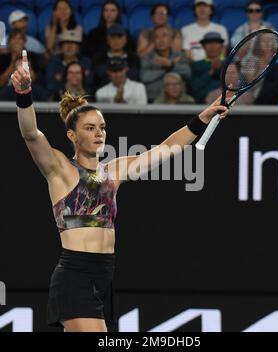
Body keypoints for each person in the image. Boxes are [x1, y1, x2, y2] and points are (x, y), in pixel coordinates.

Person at [12, 51, 230, 332]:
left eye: (101, 127)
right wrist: (23, 92)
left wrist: (202, 116)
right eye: (89, 128)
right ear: (72, 136)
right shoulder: (59, 169)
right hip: (75, 275)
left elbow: (166, 150)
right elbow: (31, 133)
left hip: (104, 276)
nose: (98, 133)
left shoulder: (115, 171)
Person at [141, 25, 191, 103]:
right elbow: (144, 76)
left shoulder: (180, 56)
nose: (160, 40)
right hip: (154, 98)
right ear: (153, 41)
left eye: (164, 35)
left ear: (171, 39)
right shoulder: (148, 57)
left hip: (179, 100)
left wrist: (171, 64)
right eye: (156, 37)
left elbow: (188, 73)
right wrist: (166, 68)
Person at [92, 24, 140, 89]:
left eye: (119, 37)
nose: (116, 41)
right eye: (113, 37)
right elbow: (100, 74)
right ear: (107, 40)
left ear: (125, 40)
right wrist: (124, 72)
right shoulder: (99, 57)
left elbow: (134, 75)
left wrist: (111, 72)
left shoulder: (133, 57)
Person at [46, 30, 92, 94]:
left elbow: (89, 83)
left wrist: (61, 77)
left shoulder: (86, 62)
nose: (69, 46)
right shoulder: (53, 61)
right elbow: (50, 84)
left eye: (73, 43)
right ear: (61, 47)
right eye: (66, 43)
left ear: (78, 47)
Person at [190, 32, 225, 103]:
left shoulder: (230, 63)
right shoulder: (196, 65)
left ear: (222, 46)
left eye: (216, 43)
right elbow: (194, 88)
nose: (212, 46)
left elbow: (238, 83)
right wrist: (211, 72)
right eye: (209, 43)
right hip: (203, 104)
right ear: (203, 46)